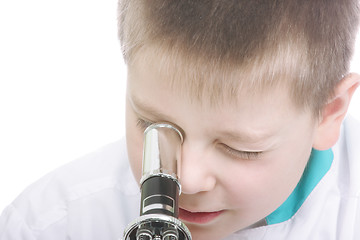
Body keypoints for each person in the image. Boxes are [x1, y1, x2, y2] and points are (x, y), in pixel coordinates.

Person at [1, 0, 360, 239]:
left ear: (329, 113)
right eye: (152, 125)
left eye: (240, 149)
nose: (185, 180)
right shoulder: (47, 225)